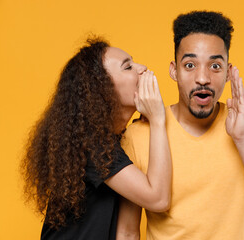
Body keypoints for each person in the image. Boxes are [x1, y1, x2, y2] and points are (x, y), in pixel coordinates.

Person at [119, 11, 244, 239]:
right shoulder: (139, 136)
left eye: (215, 66)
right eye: (190, 65)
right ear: (174, 70)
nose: (203, 78)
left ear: (229, 72)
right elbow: (127, 232)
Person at [21, 37, 172, 240]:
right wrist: (158, 119)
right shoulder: (94, 146)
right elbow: (158, 199)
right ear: (103, 90)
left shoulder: (118, 141)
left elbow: (127, 232)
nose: (142, 68)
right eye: (127, 67)